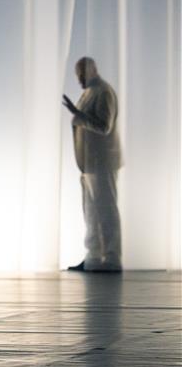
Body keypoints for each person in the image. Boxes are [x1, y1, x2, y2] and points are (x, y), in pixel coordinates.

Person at [62, 57, 123, 272]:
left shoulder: (103, 92)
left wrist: (78, 114)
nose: (79, 80)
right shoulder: (90, 92)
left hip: (102, 162)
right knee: (91, 212)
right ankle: (94, 258)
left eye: (81, 75)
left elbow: (104, 126)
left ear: (92, 71)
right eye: (77, 75)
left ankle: (112, 259)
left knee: (106, 211)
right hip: (89, 163)